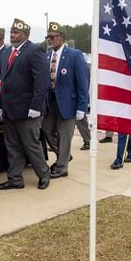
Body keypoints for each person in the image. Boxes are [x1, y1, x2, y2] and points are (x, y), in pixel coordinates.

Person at [0, 18, 51, 190]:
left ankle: (43, 173)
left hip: (28, 110)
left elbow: (41, 82)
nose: (12, 35)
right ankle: (15, 179)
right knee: (12, 145)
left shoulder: (34, 50)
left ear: (26, 35)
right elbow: (4, 81)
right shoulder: (7, 52)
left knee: (31, 144)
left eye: (16, 32)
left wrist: (36, 106)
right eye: (11, 32)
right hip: (10, 109)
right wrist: (1, 106)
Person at [41, 22, 89, 178]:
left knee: (64, 135)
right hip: (51, 101)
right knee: (46, 130)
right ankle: (64, 155)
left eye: (52, 37)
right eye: (47, 37)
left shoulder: (74, 55)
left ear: (61, 38)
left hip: (68, 103)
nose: (49, 40)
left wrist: (82, 106)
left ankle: (62, 167)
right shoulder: (47, 55)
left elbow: (82, 82)